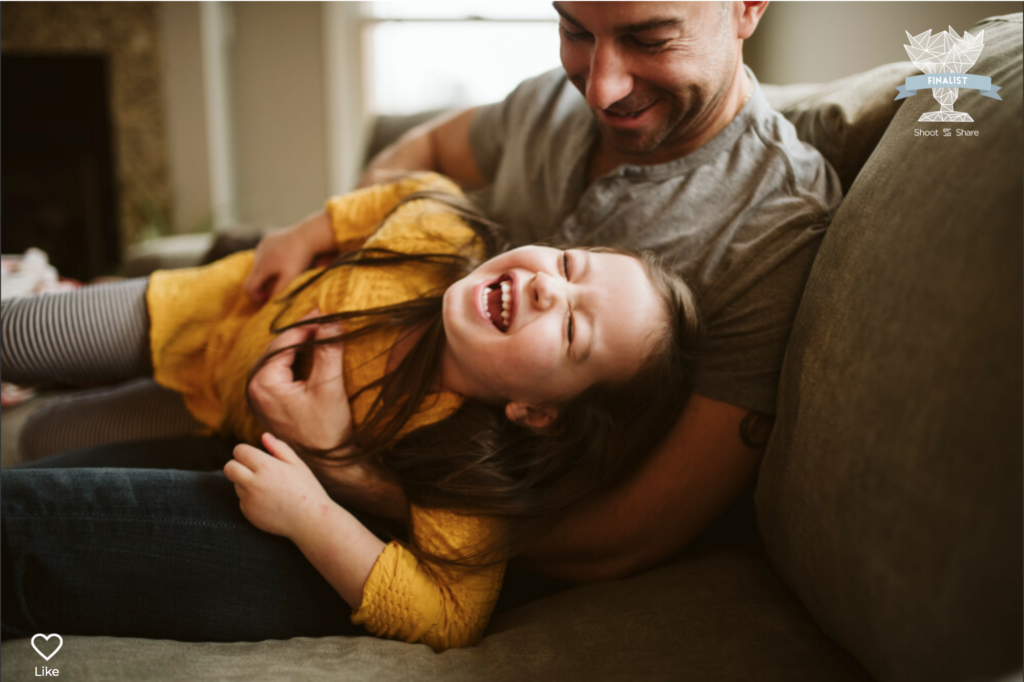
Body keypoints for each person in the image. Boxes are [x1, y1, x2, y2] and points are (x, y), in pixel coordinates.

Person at [242, 1, 843, 582]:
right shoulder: (550, 102)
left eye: (650, 40)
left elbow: (629, 536)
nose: (600, 90)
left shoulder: (778, 221)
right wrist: (336, 245)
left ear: (748, 8)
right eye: (575, 30)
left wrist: (350, 470)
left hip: (400, 531)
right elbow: (423, 151)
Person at [1, 173, 702, 650]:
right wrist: (305, 235)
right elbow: (420, 189)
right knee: (18, 336)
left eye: (575, 332)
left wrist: (312, 513)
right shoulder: (441, 241)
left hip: (209, 415)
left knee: (43, 437)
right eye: (570, 265)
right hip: (206, 307)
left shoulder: (464, 470)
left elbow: (452, 615)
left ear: (540, 412)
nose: (551, 289)